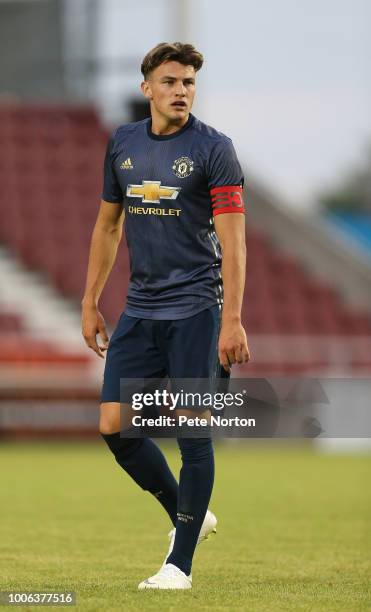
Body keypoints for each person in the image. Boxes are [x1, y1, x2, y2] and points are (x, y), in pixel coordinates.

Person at [81, 42, 250, 590]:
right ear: (147, 88)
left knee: (192, 435)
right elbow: (108, 227)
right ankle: (189, 514)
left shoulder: (214, 149)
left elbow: (235, 242)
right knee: (114, 427)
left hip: (198, 310)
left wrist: (233, 320)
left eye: (190, 83)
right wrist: (90, 301)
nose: (182, 90)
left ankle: (179, 566)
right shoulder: (122, 144)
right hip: (141, 309)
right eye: (172, 81)